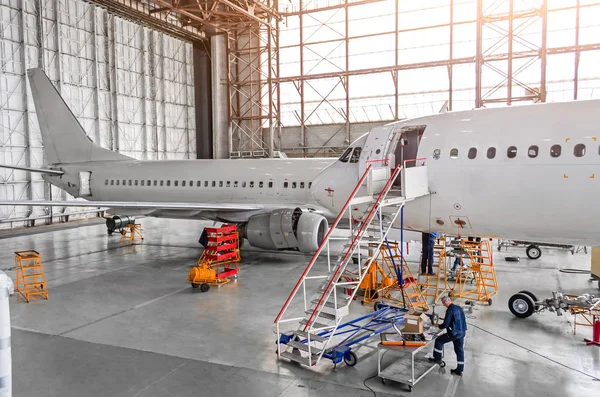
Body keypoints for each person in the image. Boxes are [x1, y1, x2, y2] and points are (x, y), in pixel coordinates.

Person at [430, 296, 467, 376]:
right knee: (459, 350)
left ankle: (438, 359)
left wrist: (438, 326)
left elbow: (446, 324)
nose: (444, 305)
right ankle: (460, 370)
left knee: (439, 341)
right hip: (462, 332)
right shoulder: (458, 308)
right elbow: (462, 319)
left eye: (443, 303)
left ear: (445, 302)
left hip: (454, 333)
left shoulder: (449, 310)